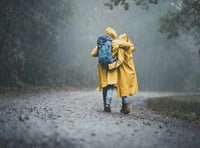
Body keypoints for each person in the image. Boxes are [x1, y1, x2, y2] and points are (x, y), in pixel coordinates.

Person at [91, 27, 133, 113]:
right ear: (114, 34)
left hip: (102, 68)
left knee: (105, 87)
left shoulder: (101, 43)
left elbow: (93, 54)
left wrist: (101, 51)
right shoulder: (116, 42)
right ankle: (109, 104)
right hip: (112, 69)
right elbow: (129, 46)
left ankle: (106, 105)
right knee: (111, 86)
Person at [108, 33, 138, 114]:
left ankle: (125, 106)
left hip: (124, 71)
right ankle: (124, 106)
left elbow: (120, 61)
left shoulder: (121, 49)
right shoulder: (129, 49)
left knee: (124, 89)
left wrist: (111, 66)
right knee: (125, 89)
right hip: (130, 71)